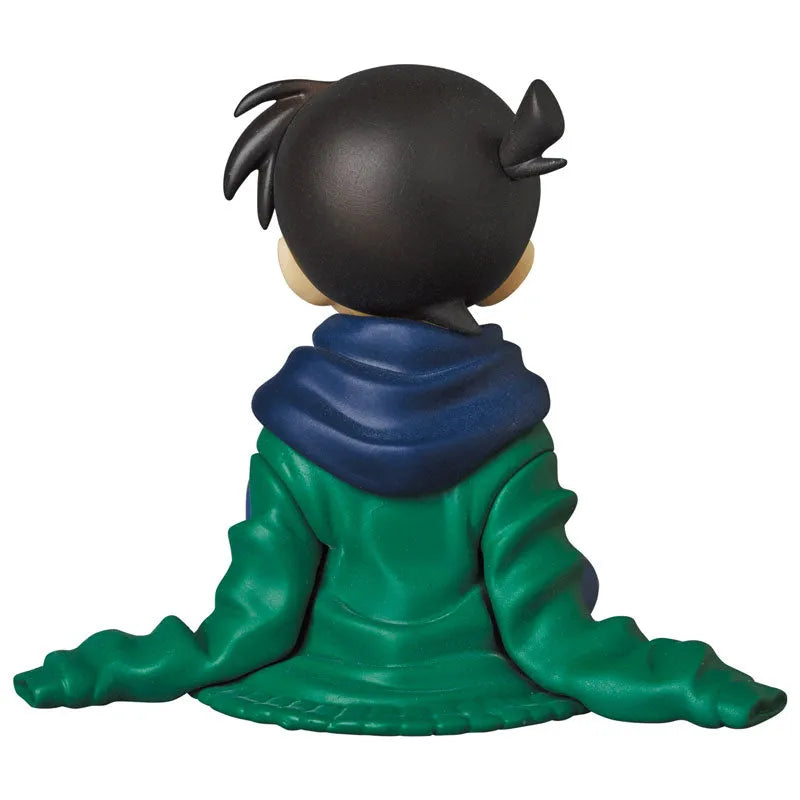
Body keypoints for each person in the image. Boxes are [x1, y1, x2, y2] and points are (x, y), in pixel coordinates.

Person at [14, 65, 786, 734]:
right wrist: (691, 687)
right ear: (513, 266)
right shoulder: (513, 437)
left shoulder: (291, 441)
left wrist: (103, 670)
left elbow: (254, 620)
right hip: (481, 692)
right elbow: (548, 630)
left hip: (322, 688)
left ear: (301, 267)